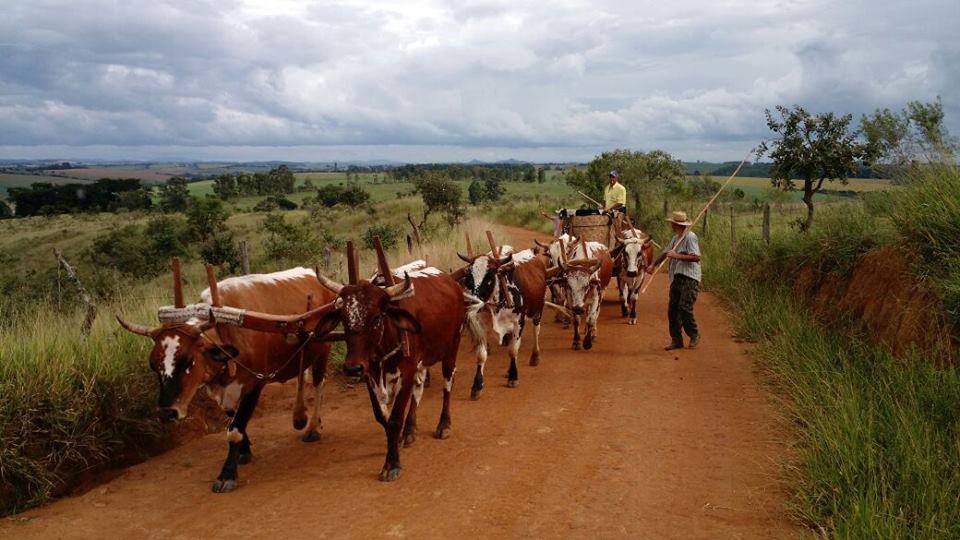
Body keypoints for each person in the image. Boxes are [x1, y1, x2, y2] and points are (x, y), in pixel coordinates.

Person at [647, 210, 701, 350]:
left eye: (672, 223)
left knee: (684, 308)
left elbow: (696, 257)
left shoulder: (690, 237)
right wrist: (653, 264)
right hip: (676, 277)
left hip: (690, 277)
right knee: (672, 310)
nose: (671, 225)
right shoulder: (675, 238)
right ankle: (676, 340)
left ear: (676, 224)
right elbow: (666, 253)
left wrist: (677, 256)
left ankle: (694, 334)